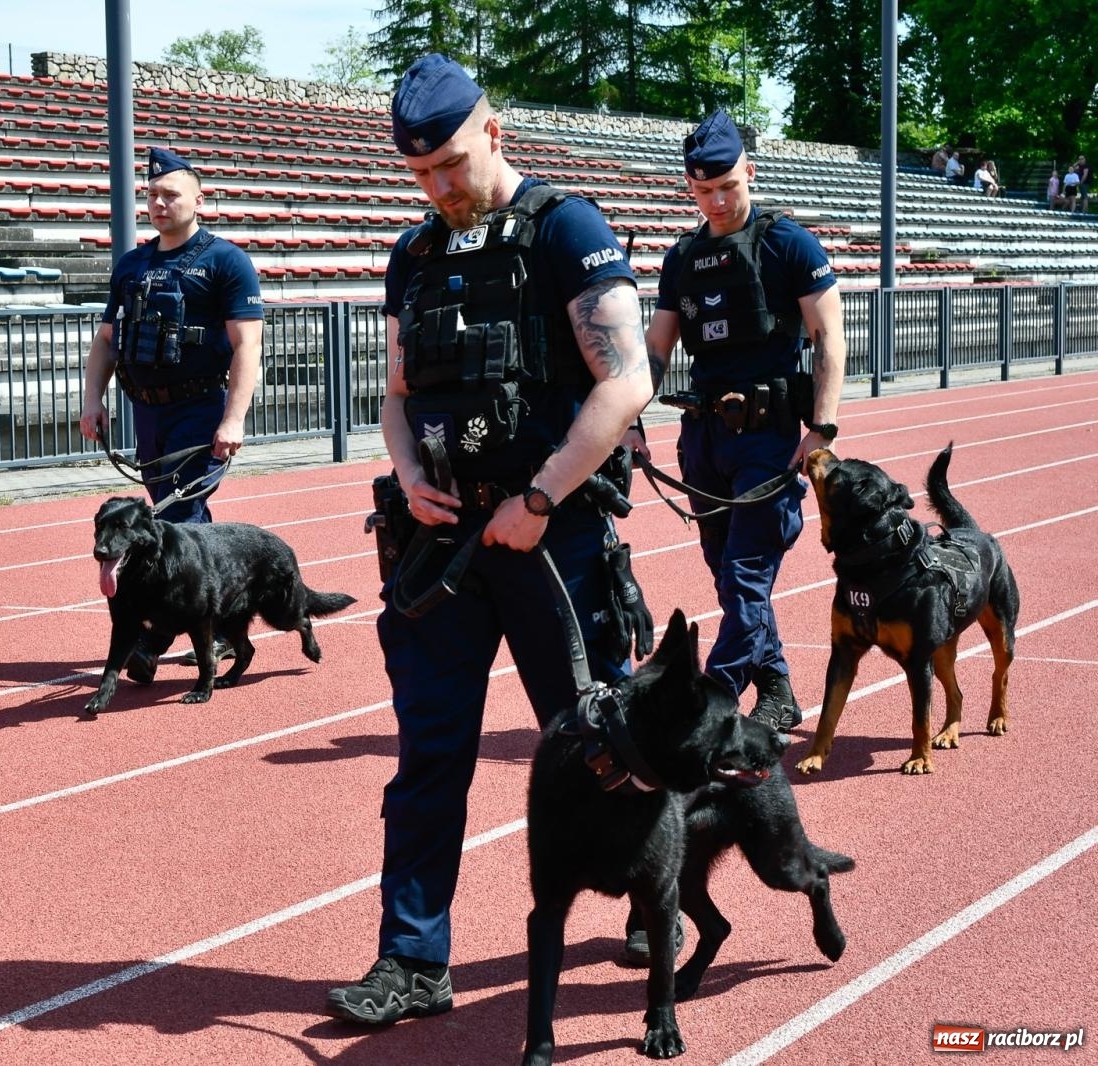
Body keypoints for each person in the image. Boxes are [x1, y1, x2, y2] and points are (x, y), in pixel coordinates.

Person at [325, 54, 653, 1025]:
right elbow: (394, 397)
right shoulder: (412, 257)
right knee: (429, 754)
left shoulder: (566, 231)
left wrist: (544, 497)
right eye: (418, 175)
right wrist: (411, 474)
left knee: (601, 740)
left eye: (451, 166)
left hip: (555, 541)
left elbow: (624, 381)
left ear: (494, 132)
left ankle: (648, 889)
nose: (436, 188)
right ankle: (412, 960)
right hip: (443, 549)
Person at [636, 108, 845, 745]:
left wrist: (823, 429)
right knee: (728, 574)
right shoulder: (684, 257)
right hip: (703, 440)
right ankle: (778, 691)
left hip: (769, 438)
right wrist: (627, 422)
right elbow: (656, 348)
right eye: (704, 190)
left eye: (728, 184)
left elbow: (829, 335)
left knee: (747, 573)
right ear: (690, 189)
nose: (719, 200)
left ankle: (714, 706)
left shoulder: (789, 244)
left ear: (748, 171)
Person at [79, 146, 264, 676]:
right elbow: (107, 342)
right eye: (152, 195)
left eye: (170, 194)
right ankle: (221, 621)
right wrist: (93, 400)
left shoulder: (226, 262)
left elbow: (247, 346)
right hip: (147, 414)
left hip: (199, 412)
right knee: (180, 524)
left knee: (175, 518)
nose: (159, 203)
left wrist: (234, 418)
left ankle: (150, 641)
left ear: (199, 199)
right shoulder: (132, 264)